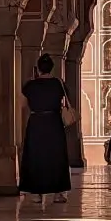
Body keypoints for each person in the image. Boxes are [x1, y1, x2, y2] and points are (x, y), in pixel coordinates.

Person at [19, 54, 71, 204]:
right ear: (52, 68)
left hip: (36, 123)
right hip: (54, 122)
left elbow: (22, 105)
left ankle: (36, 194)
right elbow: (66, 101)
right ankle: (58, 194)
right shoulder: (58, 83)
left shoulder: (30, 85)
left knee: (36, 156)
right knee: (56, 157)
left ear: (39, 68)